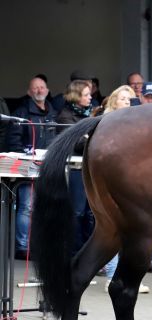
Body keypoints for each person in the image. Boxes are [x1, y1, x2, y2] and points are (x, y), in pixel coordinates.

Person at [99, 85, 150, 294]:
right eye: (123, 99)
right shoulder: (106, 123)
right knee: (112, 229)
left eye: (131, 99)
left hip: (134, 185)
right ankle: (111, 276)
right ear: (114, 102)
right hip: (111, 183)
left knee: (134, 232)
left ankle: (129, 278)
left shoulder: (141, 124)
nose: (128, 102)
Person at [5, 76, 58, 259]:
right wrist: (27, 158)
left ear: (47, 90)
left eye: (42, 87)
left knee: (45, 207)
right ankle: (22, 247)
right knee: (27, 206)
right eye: (35, 88)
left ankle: (40, 245)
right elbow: (13, 141)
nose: (39, 90)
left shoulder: (54, 112)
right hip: (28, 166)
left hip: (49, 167)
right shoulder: (21, 113)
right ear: (29, 92)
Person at [57, 80, 95, 254]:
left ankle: (88, 251)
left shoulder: (91, 113)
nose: (90, 97)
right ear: (76, 96)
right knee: (77, 212)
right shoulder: (65, 116)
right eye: (86, 94)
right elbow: (76, 143)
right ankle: (74, 251)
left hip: (89, 168)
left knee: (90, 213)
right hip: (74, 169)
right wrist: (90, 138)